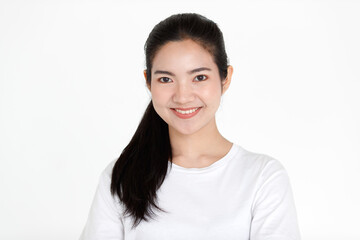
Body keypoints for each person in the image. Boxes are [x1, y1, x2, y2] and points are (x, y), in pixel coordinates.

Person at [80, 13, 301, 240]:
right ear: (148, 81)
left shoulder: (263, 177)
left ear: (225, 78)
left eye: (199, 77)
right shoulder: (121, 177)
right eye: (166, 79)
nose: (183, 97)